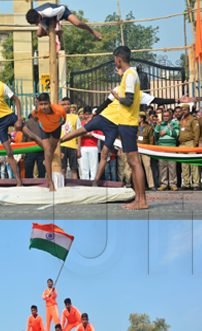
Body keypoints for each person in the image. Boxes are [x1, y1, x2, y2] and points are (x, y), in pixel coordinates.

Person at [56, 46, 151, 210]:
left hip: (127, 124)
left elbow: (127, 101)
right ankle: (139, 200)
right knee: (132, 161)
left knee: (134, 162)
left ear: (118, 59)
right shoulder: (128, 77)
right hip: (122, 122)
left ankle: (142, 201)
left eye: (115, 59)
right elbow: (118, 101)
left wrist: (117, 97)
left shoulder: (129, 76)